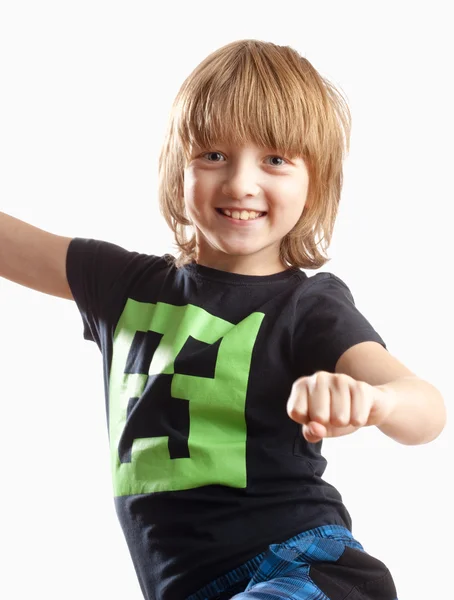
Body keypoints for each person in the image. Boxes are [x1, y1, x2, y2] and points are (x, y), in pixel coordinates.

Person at [0, 39, 446, 600]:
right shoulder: (122, 286)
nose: (240, 183)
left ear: (317, 181)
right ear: (177, 167)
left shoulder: (308, 307)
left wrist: (377, 403)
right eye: (213, 155)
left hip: (299, 568)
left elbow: (427, 410)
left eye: (276, 160)